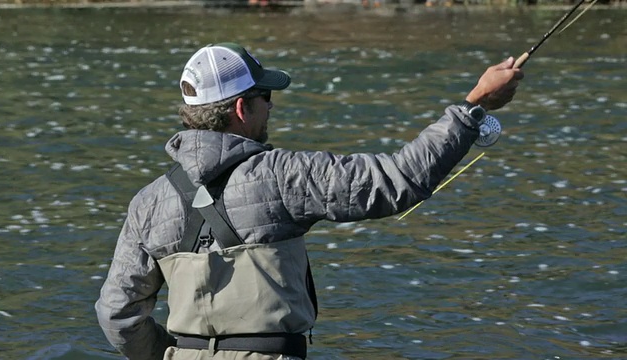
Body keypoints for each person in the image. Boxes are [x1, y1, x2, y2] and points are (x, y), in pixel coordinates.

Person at [95, 42, 523, 360]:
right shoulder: (283, 175)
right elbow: (399, 181)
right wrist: (474, 106)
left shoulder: (147, 203)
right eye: (266, 97)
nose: (271, 105)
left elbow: (117, 314)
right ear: (242, 108)